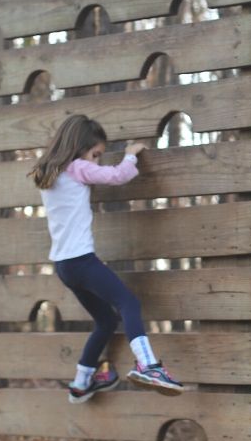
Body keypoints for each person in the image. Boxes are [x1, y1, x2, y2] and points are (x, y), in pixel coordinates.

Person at [32, 115, 183, 397]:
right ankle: (148, 365)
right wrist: (130, 156)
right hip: (82, 261)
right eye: (96, 154)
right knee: (129, 303)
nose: (97, 162)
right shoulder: (78, 168)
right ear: (79, 147)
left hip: (64, 267)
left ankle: (81, 382)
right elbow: (118, 176)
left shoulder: (50, 173)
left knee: (105, 321)